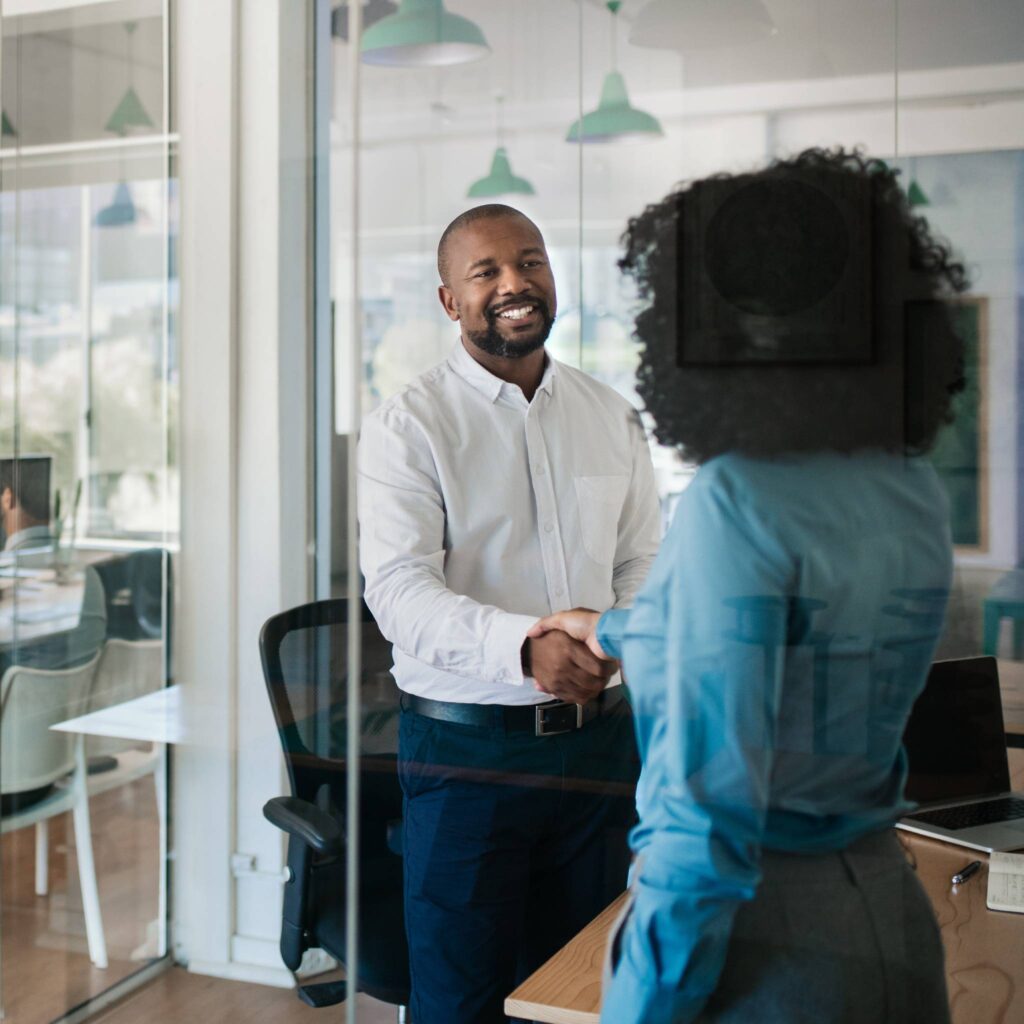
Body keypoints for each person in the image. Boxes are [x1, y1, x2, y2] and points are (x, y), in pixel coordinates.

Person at [532, 149, 966, 1024]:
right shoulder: (907, 486)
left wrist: (639, 1008)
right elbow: (796, 646)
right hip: (894, 916)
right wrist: (609, 628)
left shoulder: (738, 502)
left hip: (771, 948)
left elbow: (703, 827)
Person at [358, 203, 661, 1024]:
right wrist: (526, 650)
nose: (514, 284)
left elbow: (644, 560)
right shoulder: (407, 428)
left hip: (601, 748)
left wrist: (610, 636)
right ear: (450, 302)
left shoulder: (611, 414)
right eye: (485, 272)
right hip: (467, 758)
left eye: (529, 262)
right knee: (461, 1002)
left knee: (587, 988)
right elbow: (397, 590)